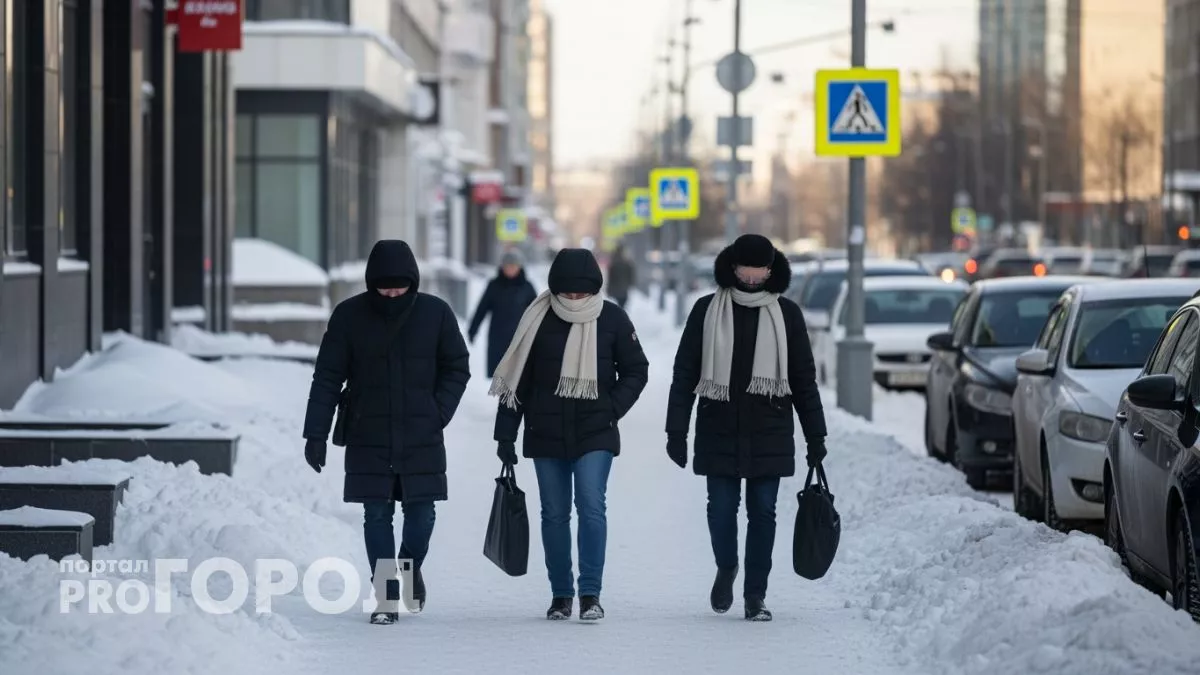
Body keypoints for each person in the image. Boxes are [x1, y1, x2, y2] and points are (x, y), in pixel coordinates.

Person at [302, 240, 471, 626]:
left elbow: (457, 366)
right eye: (384, 286)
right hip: (368, 430)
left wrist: (437, 411)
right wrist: (316, 433)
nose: (392, 293)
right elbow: (327, 376)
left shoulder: (435, 313)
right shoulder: (348, 316)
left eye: (400, 286)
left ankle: (409, 569)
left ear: (412, 281)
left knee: (421, 515)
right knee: (376, 513)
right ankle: (386, 594)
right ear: (370, 283)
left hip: (420, 432)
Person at [664, 234, 827, 622]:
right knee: (720, 511)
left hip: (769, 427)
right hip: (718, 426)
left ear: (771, 270)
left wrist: (816, 435)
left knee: (763, 512)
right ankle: (727, 566)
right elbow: (685, 372)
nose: (753, 278)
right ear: (733, 268)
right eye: (746, 270)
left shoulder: (786, 315)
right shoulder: (707, 310)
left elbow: (804, 379)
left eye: (760, 270)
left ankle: (756, 595)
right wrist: (676, 431)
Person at [489, 248, 649, 621]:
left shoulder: (612, 318)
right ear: (555, 289)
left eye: (582, 294)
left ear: (594, 289)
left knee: (591, 508)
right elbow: (519, 381)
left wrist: (611, 408)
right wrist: (505, 434)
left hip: (596, 432)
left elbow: (636, 370)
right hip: (545, 431)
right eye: (567, 294)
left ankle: (590, 594)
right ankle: (561, 594)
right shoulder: (536, 319)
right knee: (554, 514)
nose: (574, 300)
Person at [468, 249, 539, 378]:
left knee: (520, 375)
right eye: (508, 266)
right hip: (498, 339)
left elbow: (537, 313)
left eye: (513, 266)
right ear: (502, 267)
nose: (511, 269)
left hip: (520, 338)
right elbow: (482, 309)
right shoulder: (494, 286)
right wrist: (473, 329)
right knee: (502, 377)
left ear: (519, 267)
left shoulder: (527, 287)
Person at [606, 244, 636, 309]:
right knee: (622, 304)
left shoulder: (613, 263)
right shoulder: (627, 262)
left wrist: (608, 289)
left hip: (616, 288)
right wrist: (631, 283)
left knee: (618, 305)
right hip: (623, 288)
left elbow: (610, 277)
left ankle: (619, 314)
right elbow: (631, 274)